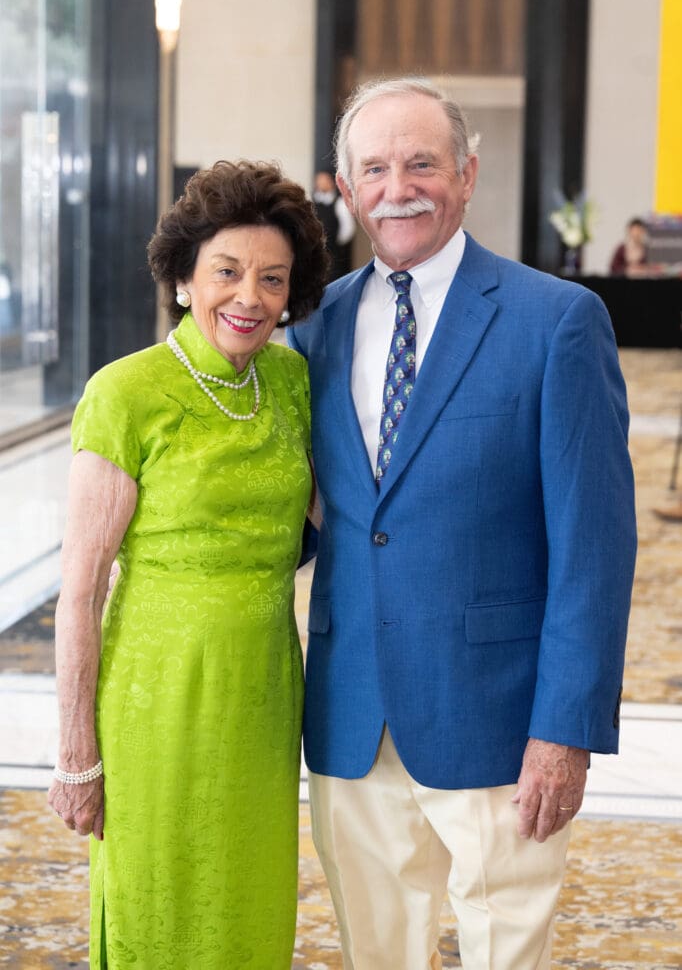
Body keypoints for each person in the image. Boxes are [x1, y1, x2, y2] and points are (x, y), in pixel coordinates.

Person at [288, 77, 637, 969]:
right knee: (376, 954)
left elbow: (594, 551)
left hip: (500, 721)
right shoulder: (312, 330)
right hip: (350, 715)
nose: (398, 186)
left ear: (468, 173)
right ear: (346, 187)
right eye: (374, 168)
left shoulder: (557, 321)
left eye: (422, 163)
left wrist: (566, 729)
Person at [47, 160, 328, 969]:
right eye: (228, 272)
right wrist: (76, 756)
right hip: (155, 701)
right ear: (182, 279)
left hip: (264, 696)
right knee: (157, 906)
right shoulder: (125, 392)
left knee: (246, 911)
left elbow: (341, 517)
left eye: (272, 280)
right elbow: (80, 591)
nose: (249, 298)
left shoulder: (290, 380)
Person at [312, 168, 356, 280]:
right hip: (316, 254)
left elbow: (348, 229)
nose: (321, 183)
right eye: (319, 180)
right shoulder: (312, 203)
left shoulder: (339, 203)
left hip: (335, 254)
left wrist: (335, 245)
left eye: (324, 180)